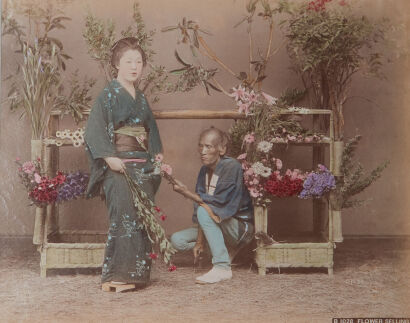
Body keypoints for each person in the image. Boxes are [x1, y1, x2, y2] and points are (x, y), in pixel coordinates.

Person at [84, 37, 162, 291]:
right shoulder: (109, 94)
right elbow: (94, 129)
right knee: (123, 216)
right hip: (118, 164)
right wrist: (109, 157)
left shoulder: (140, 98)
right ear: (117, 64)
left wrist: (157, 157)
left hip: (141, 166)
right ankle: (117, 275)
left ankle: (135, 276)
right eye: (128, 61)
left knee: (140, 217)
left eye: (138, 62)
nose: (134, 67)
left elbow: (151, 130)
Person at [170, 127, 254, 284]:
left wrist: (185, 192)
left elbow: (218, 204)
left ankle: (222, 267)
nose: (203, 151)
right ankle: (221, 252)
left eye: (208, 146)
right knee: (177, 240)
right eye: (200, 146)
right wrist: (200, 241)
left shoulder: (232, 166)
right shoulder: (204, 170)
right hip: (216, 221)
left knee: (204, 210)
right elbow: (206, 206)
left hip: (238, 228)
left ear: (221, 149)